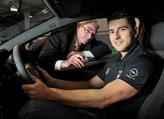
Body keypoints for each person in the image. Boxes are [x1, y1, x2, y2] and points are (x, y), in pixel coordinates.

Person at [18, 11, 156, 119]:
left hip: (104, 115)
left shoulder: (142, 62)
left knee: (33, 108)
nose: (116, 37)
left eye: (122, 29)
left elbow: (103, 98)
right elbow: (89, 84)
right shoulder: (115, 59)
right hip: (93, 110)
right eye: (112, 31)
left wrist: (48, 93)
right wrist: (52, 81)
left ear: (136, 31)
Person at [28, 19, 111, 74]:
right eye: (88, 30)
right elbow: (43, 61)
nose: (89, 36)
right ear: (78, 26)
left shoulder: (90, 39)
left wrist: (82, 54)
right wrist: (65, 63)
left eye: (93, 34)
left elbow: (105, 48)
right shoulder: (60, 36)